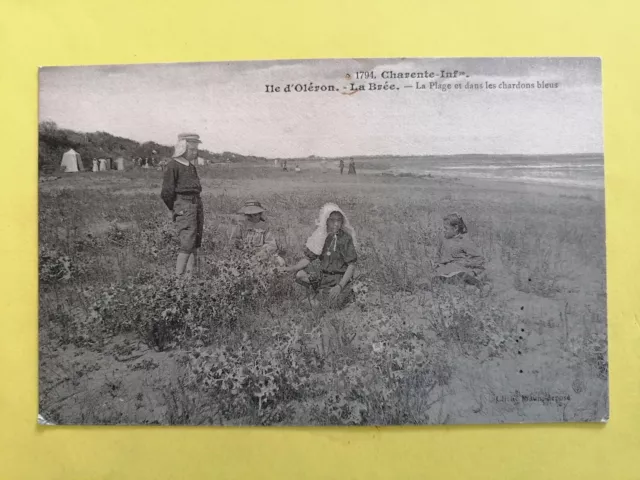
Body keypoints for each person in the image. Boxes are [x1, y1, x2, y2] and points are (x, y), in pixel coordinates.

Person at [279, 203, 357, 309]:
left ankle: (323, 298)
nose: (336, 224)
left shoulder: (345, 239)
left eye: (339, 220)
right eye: (332, 220)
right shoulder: (321, 236)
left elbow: (351, 265)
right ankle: (317, 293)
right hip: (324, 277)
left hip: (339, 278)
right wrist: (292, 268)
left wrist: (340, 286)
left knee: (328, 305)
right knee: (300, 275)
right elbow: (308, 258)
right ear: (326, 220)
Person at [160, 133, 205, 276]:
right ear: (182, 148)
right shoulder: (173, 165)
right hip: (184, 205)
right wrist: (175, 208)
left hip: (196, 204)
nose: (194, 152)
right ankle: (178, 279)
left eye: (195, 149)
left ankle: (189, 278)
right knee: (187, 243)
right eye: (191, 149)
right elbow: (166, 192)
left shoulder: (191, 166)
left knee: (195, 243)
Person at [434, 213, 486, 286]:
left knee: (460, 276)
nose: (443, 230)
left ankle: (472, 281)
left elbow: (479, 259)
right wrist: (436, 265)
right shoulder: (443, 237)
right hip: (445, 268)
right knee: (436, 278)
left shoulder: (464, 241)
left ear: (455, 228)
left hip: (460, 269)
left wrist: (466, 264)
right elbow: (438, 253)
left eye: (446, 228)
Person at [229, 200, 285, 267]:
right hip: (244, 253)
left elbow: (271, 245)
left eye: (255, 214)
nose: (253, 217)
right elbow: (233, 241)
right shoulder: (241, 225)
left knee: (280, 262)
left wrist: (260, 253)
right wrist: (240, 249)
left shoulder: (265, 226)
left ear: (260, 214)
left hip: (261, 254)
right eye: (250, 215)